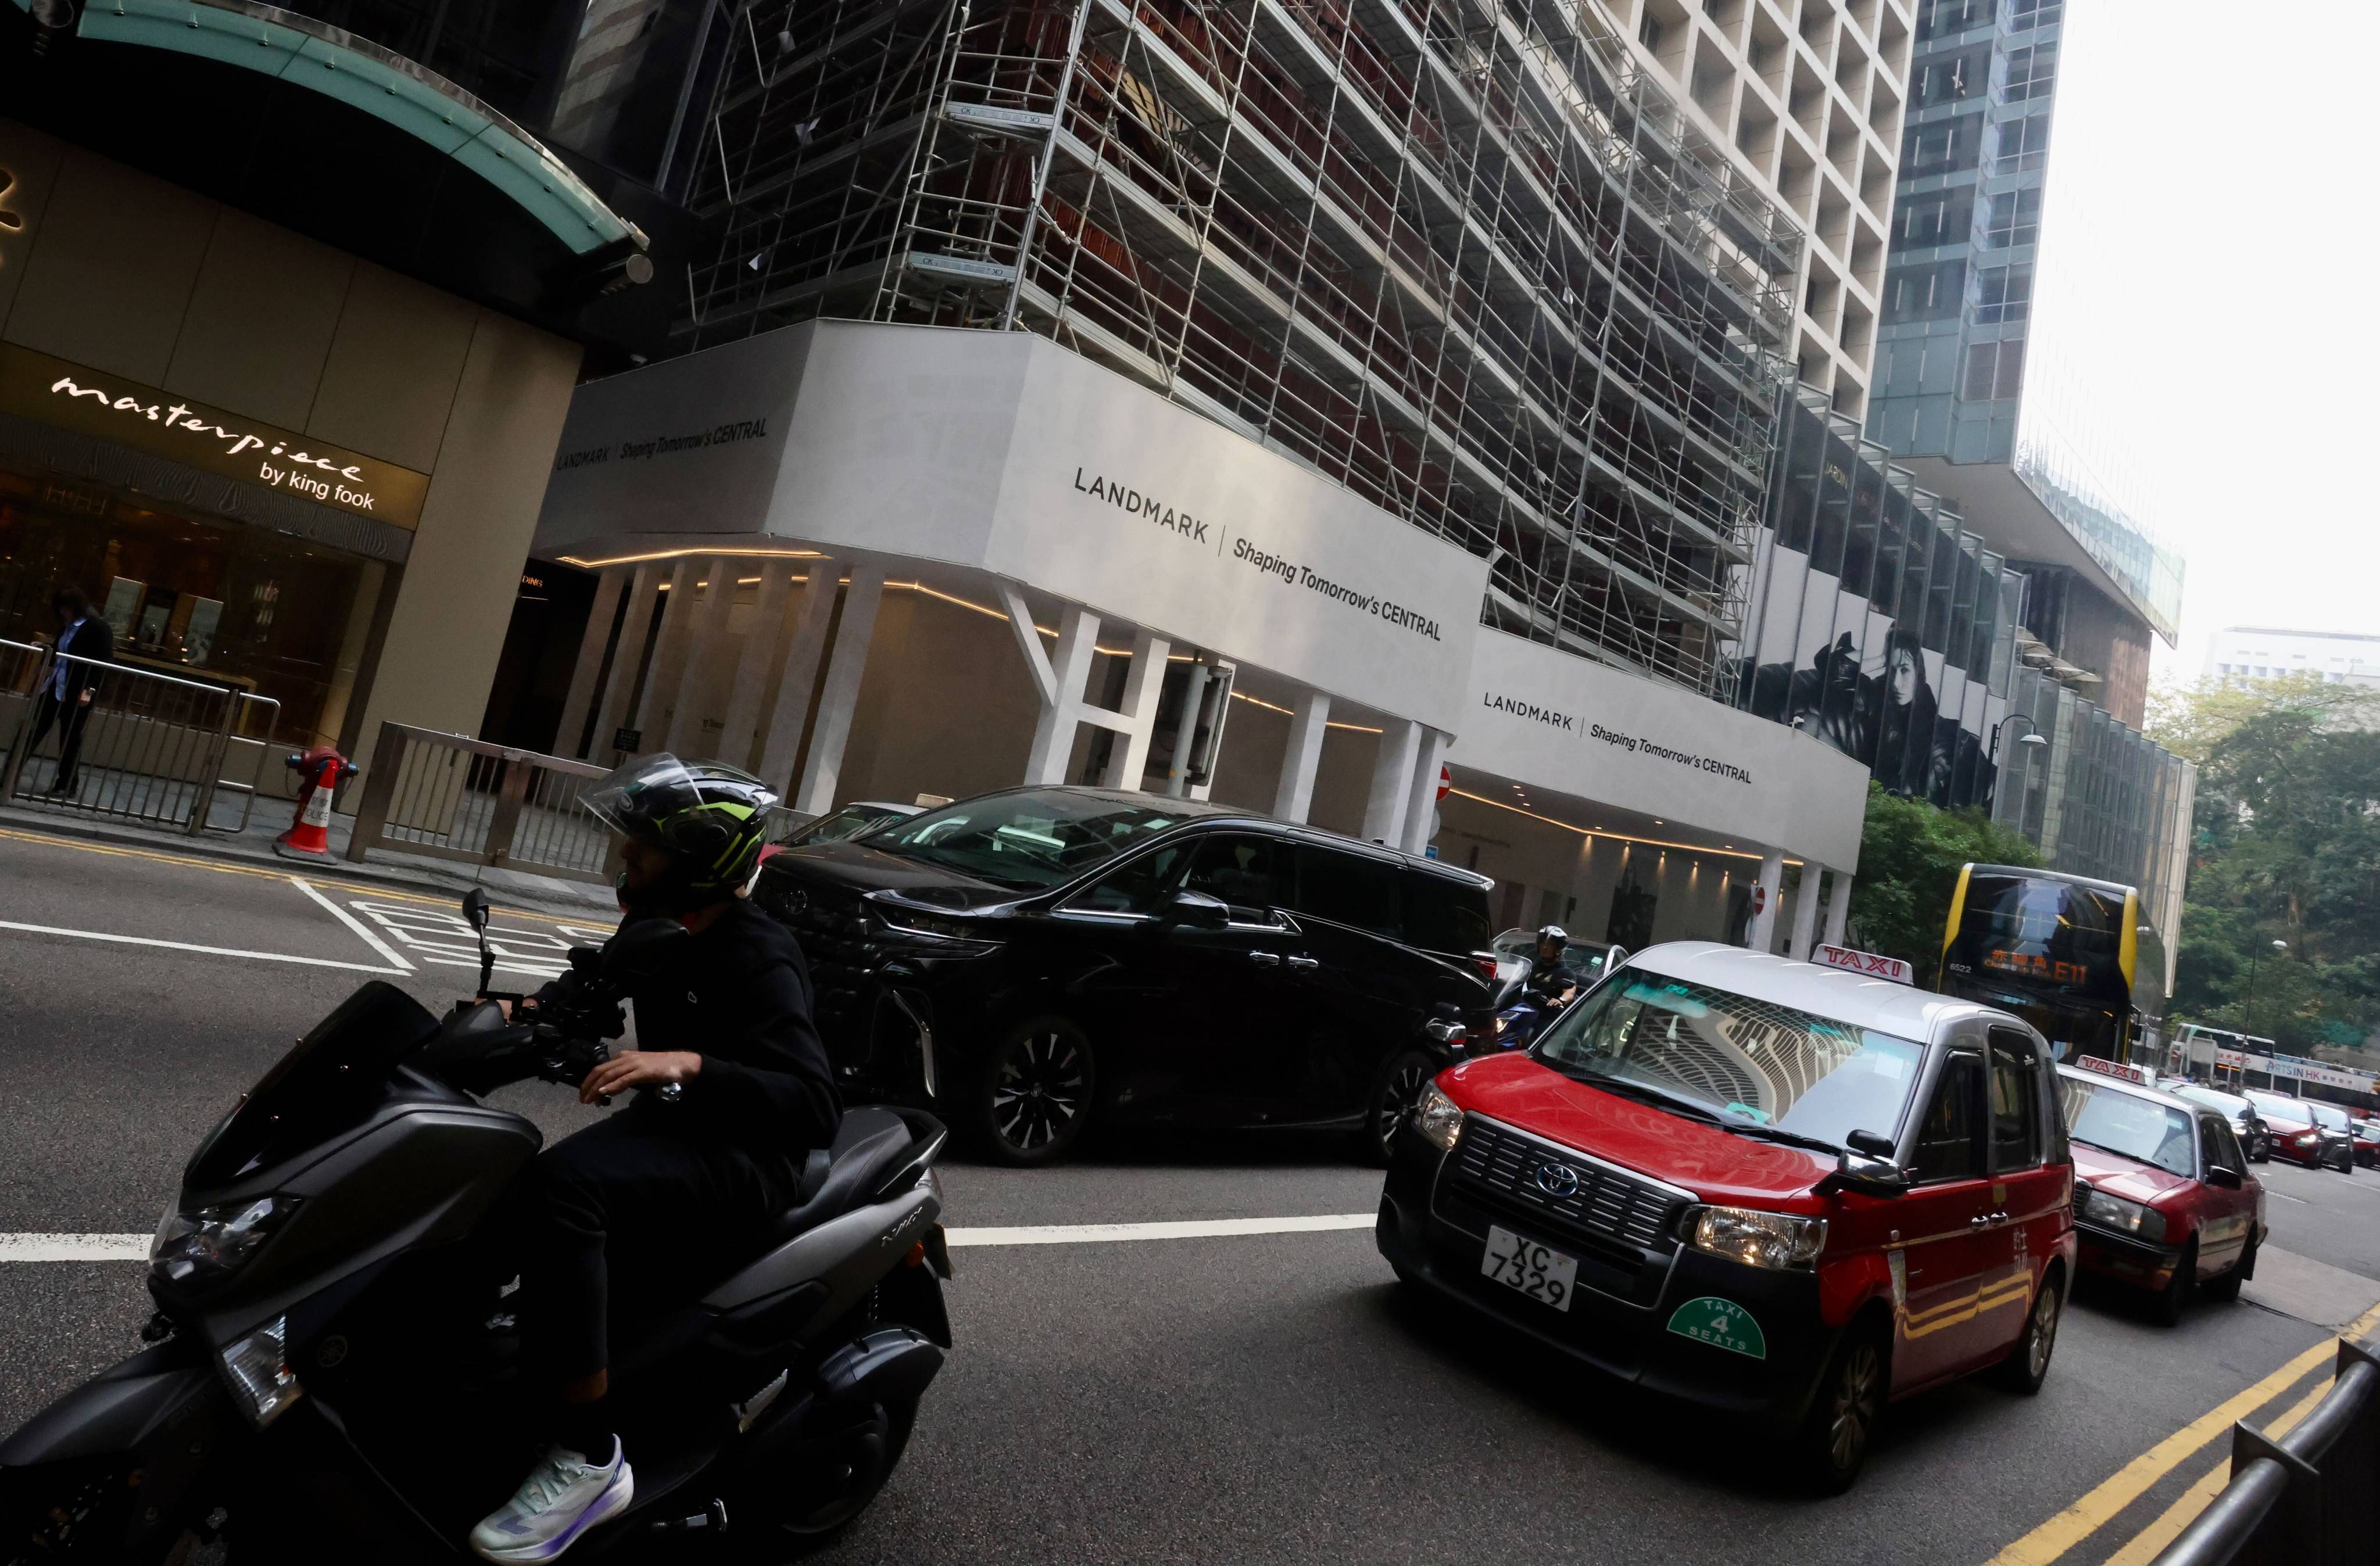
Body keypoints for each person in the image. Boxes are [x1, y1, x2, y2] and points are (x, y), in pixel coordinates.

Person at [470, 755, 840, 1563]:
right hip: (678, 1131)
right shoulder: (658, 932)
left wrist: (687, 1063)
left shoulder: (758, 951)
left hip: (749, 1156)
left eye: (643, 849)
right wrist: (505, 1017)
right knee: (495, 1180)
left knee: (567, 1188)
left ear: (699, 858)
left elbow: (812, 1102)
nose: (625, 860)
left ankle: (589, 1454)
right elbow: (586, 996)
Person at [26, 585, 113, 795]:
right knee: (32, 731)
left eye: (66, 608)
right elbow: (61, 650)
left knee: (70, 740)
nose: (64, 612)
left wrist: (90, 690)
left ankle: (67, 785)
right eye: (61, 608)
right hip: (56, 688)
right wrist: (47, 648)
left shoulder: (97, 628)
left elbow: (103, 662)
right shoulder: (67, 626)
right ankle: (9, 774)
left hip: (77, 693)